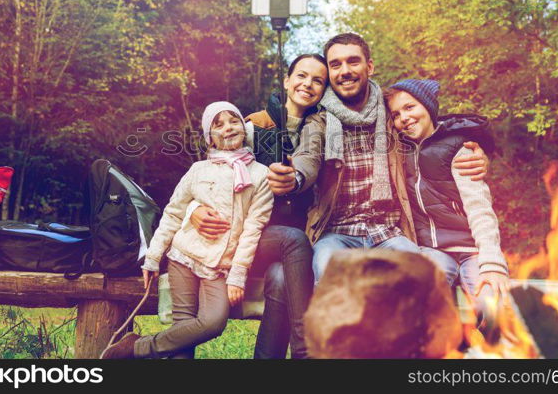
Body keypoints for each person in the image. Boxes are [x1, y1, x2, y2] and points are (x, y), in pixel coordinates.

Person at [267, 33, 490, 284]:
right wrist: (295, 177)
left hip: (390, 232)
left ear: (369, 67)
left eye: (353, 61)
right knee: (328, 273)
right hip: (337, 233)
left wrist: (472, 147)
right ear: (329, 72)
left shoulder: (391, 112)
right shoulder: (320, 121)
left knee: (419, 278)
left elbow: (430, 127)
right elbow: (308, 155)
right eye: (336, 64)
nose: (345, 71)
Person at [100, 101, 273, 359]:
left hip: (220, 267)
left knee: (213, 322)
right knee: (183, 329)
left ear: (244, 127)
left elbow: (253, 228)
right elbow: (173, 213)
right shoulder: (198, 170)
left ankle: (135, 347)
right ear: (209, 139)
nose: (228, 128)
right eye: (219, 124)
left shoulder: (260, 174)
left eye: (234, 121)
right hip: (184, 256)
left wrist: (237, 274)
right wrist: (153, 256)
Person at [189, 54, 328, 359]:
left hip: (296, 246)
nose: (308, 84)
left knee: (279, 278)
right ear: (287, 81)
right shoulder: (252, 126)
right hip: (251, 238)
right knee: (290, 246)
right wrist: (194, 211)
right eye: (301, 76)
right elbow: (205, 177)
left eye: (318, 80)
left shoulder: (324, 129)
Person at [386, 79, 510, 304]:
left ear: (428, 107)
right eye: (395, 114)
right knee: (420, 302)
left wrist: (492, 262)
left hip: (472, 248)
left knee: (491, 307)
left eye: (409, 107)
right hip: (432, 250)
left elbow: (479, 207)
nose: (403, 118)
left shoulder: (458, 148)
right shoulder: (398, 153)